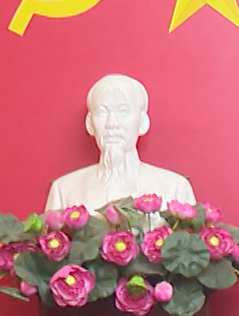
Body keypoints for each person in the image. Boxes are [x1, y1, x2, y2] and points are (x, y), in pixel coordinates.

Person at [45, 73, 196, 213]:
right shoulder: (64, 191)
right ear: (90, 123)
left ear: (143, 122)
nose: (112, 123)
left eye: (123, 111)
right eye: (102, 112)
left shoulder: (174, 188)